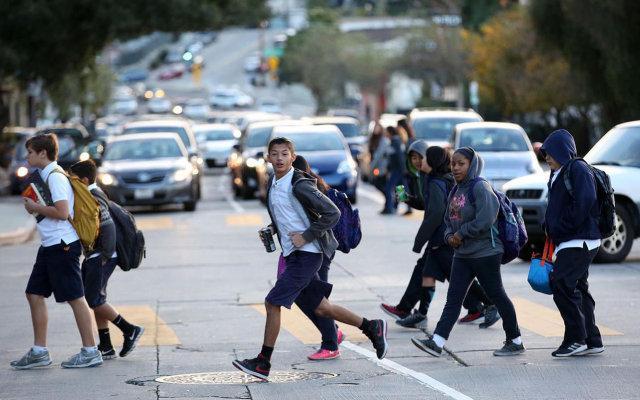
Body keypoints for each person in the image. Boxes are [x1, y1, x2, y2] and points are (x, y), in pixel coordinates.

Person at [232, 137, 388, 381]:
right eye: (275, 154)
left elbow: (332, 213)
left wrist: (306, 236)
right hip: (294, 254)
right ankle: (371, 326)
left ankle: (263, 362)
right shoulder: (273, 181)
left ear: (293, 158)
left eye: (285, 154)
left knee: (272, 303)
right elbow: (287, 213)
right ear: (269, 158)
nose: (280, 158)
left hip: (307, 255)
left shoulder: (300, 183)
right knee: (322, 307)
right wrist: (274, 229)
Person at [411, 147, 525, 357]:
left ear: (472, 165)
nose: (455, 168)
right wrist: (448, 237)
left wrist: (461, 234)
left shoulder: (480, 187)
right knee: (453, 299)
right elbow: (447, 220)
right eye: (453, 163)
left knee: (497, 296)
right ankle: (437, 342)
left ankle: (515, 340)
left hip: (485, 253)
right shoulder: (456, 190)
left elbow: (486, 218)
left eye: (461, 163)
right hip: (463, 254)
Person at [11, 133, 103, 369]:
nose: (27, 156)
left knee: (75, 297)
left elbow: (63, 213)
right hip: (50, 245)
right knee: (33, 293)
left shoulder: (55, 176)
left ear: (43, 153)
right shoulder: (44, 175)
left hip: (63, 245)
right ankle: (39, 351)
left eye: (30, 152)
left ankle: (91, 351)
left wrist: (35, 207)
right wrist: (37, 208)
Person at [381, 144, 497, 328]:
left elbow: (435, 213)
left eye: (423, 158)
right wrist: (409, 199)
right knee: (428, 273)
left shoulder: (436, 182)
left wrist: (420, 240)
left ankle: (490, 303)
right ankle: (421, 314)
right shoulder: (437, 179)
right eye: (414, 158)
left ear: (432, 161)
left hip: (443, 239)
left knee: (458, 277)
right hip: (443, 238)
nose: (419, 162)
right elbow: (431, 205)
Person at [69, 160, 145, 360]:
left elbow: (108, 226)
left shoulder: (93, 196)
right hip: (99, 255)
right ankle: (106, 345)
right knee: (96, 298)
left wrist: (103, 255)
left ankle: (130, 330)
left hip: (102, 256)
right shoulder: (93, 193)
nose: (71, 183)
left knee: (93, 299)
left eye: (74, 179)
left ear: (84, 180)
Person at [540, 129, 604, 357]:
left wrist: (561, 226)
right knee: (578, 287)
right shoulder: (559, 172)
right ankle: (592, 339)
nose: (546, 157)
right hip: (570, 240)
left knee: (562, 284)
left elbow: (585, 201)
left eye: (551, 153)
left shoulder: (577, 168)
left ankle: (576, 338)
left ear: (563, 151)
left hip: (580, 240)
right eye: (545, 153)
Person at [290, 155, 344, 360]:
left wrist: (306, 236)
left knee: (316, 299)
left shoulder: (304, 188)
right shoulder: (296, 186)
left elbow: (332, 214)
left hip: (318, 250)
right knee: (307, 297)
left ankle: (331, 343)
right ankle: (333, 332)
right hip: (306, 252)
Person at [381, 126, 405, 215]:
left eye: (386, 132)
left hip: (397, 169)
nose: (385, 133)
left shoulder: (395, 142)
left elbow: (399, 156)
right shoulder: (396, 141)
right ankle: (403, 207)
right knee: (400, 188)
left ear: (390, 132)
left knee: (389, 188)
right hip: (398, 169)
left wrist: (402, 169)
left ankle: (390, 208)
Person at [368, 121, 389, 195]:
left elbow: (378, 155)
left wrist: (371, 167)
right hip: (376, 166)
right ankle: (389, 202)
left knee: (381, 185)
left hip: (382, 166)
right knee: (379, 184)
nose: (376, 129)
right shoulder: (372, 139)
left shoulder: (383, 140)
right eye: (375, 128)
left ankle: (390, 202)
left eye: (378, 128)